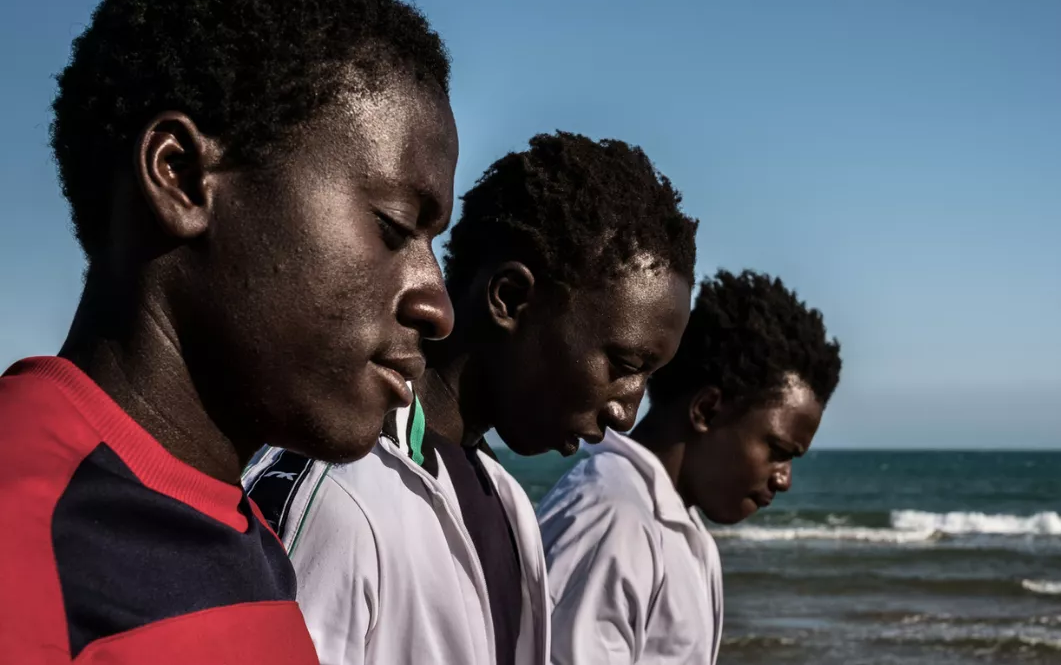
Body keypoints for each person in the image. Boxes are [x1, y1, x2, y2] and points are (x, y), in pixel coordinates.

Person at [0, 0, 456, 663]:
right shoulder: (26, 547)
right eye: (395, 226)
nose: (437, 305)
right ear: (181, 177)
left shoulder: (242, 528)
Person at [245, 131, 698, 665]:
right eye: (622, 367)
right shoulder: (341, 487)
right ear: (509, 298)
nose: (626, 412)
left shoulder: (506, 504)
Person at [538, 269, 843, 665]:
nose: (783, 479)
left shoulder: (676, 527)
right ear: (707, 410)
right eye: (778, 450)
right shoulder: (615, 514)